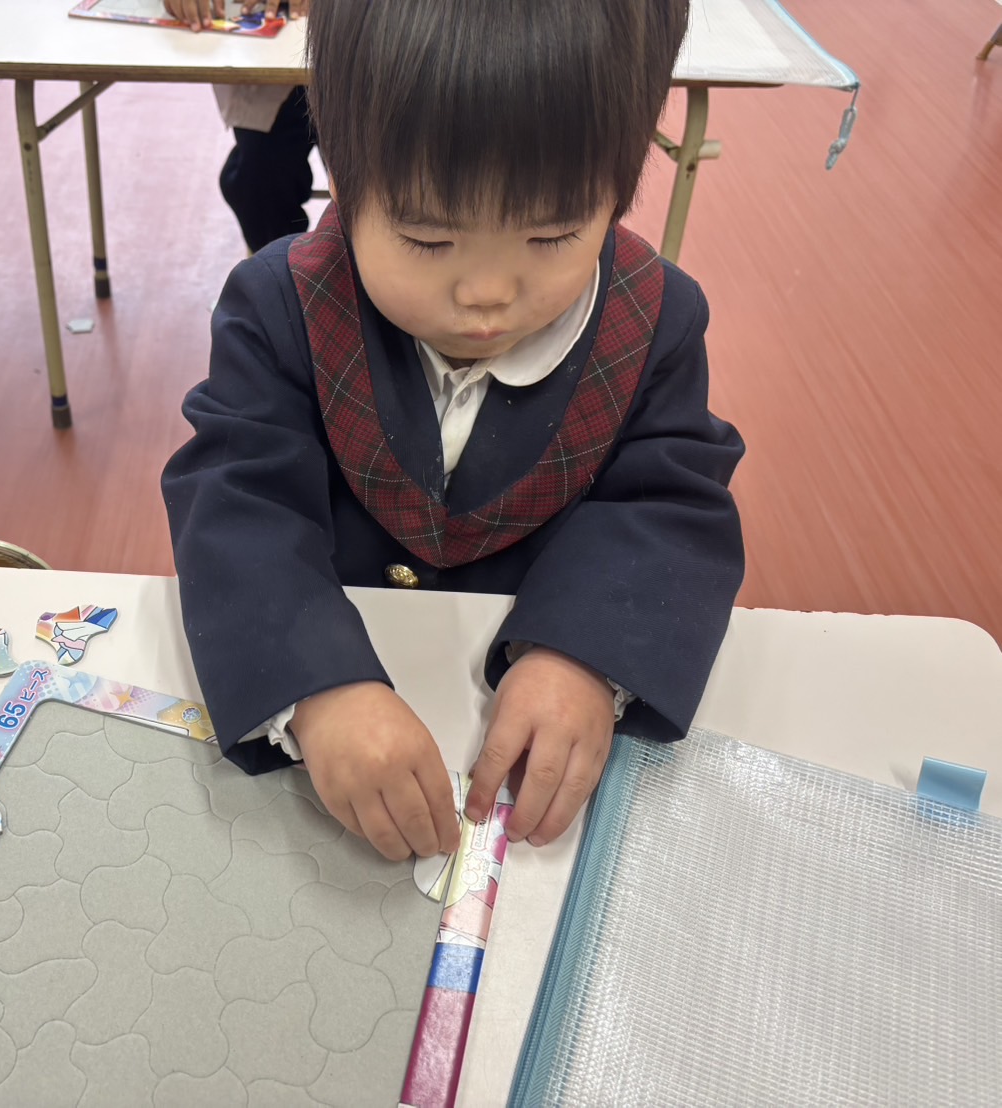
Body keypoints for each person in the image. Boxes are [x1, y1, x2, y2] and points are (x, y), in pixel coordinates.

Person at [162, 0, 744, 863]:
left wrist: (585, 657)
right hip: (341, 706)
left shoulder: (652, 320)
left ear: (615, 197)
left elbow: (666, 503)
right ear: (343, 181)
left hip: (517, 736)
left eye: (552, 234)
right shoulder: (280, 304)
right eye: (428, 239)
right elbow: (236, 499)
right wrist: (315, 687)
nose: (487, 294)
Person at [163, 0, 315, 253]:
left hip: (368, 43)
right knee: (256, 182)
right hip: (275, 58)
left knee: (371, 180)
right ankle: (280, 267)